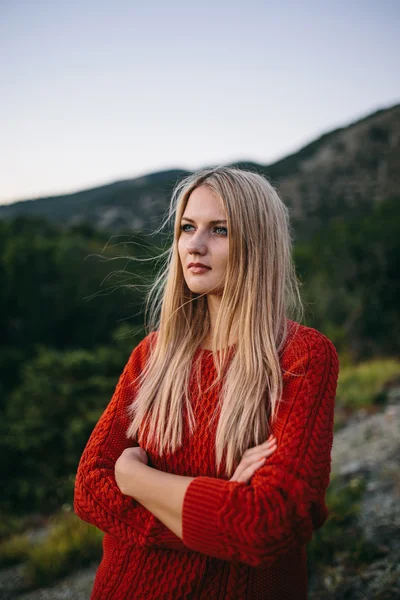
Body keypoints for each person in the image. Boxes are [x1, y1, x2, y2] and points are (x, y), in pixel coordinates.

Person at [74, 166, 339, 599]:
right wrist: (220, 515)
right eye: (186, 228)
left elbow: (268, 525)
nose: (194, 246)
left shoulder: (302, 357)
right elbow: (90, 488)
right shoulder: (152, 354)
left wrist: (134, 477)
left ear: (257, 244)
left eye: (219, 230)